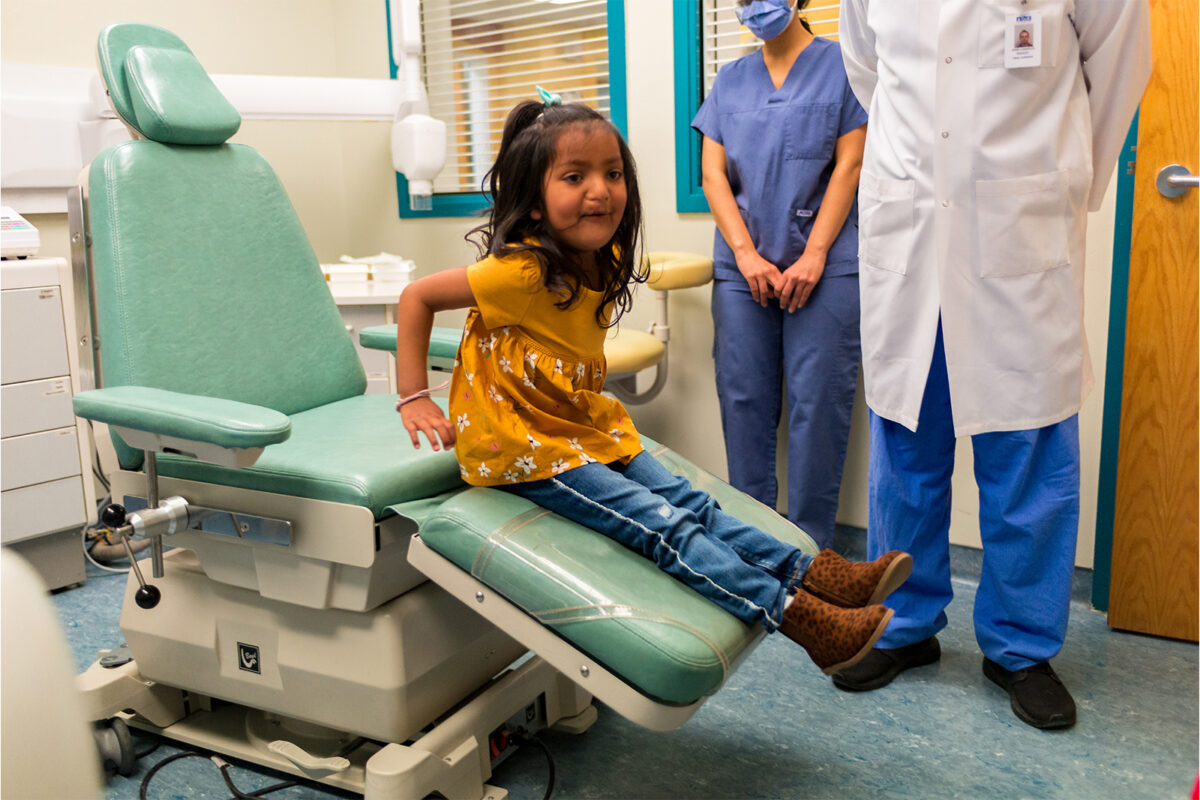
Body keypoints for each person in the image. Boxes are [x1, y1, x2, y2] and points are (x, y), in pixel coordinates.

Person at [393, 93, 912, 676]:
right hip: (525, 448)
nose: (601, 189)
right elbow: (416, 298)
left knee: (691, 501)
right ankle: (798, 616)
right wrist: (414, 398)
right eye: (574, 176)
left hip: (574, 424)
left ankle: (814, 574)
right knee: (662, 523)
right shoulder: (522, 269)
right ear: (533, 203)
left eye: (612, 173)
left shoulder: (599, 254)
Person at [835, 0, 1152, 728]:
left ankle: (1020, 648)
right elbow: (868, 71)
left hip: (1020, 230)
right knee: (905, 448)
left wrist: (1065, 186)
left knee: (1029, 454)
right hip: (911, 229)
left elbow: (1120, 71)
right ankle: (904, 627)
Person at [691, 0, 867, 551]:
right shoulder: (730, 80)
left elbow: (851, 164)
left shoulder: (845, 66)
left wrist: (814, 254)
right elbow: (713, 174)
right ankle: (752, 545)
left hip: (826, 267)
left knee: (819, 406)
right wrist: (745, 254)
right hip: (744, 270)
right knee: (743, 401)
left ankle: (812, 553)